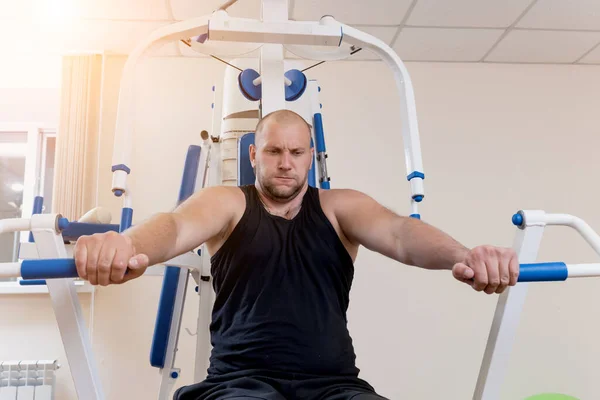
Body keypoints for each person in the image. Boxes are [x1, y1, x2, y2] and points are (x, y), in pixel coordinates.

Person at [74, 109, 519, 400]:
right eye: (273, 151)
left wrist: (466, 254)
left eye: (296, 151)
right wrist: (127, 245)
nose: (285, 162)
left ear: (310, 156)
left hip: (335, 387)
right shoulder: (227, 203)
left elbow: (402, 235)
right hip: (240, 385)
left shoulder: (339, 207)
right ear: (254, 155)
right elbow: (174, 226)